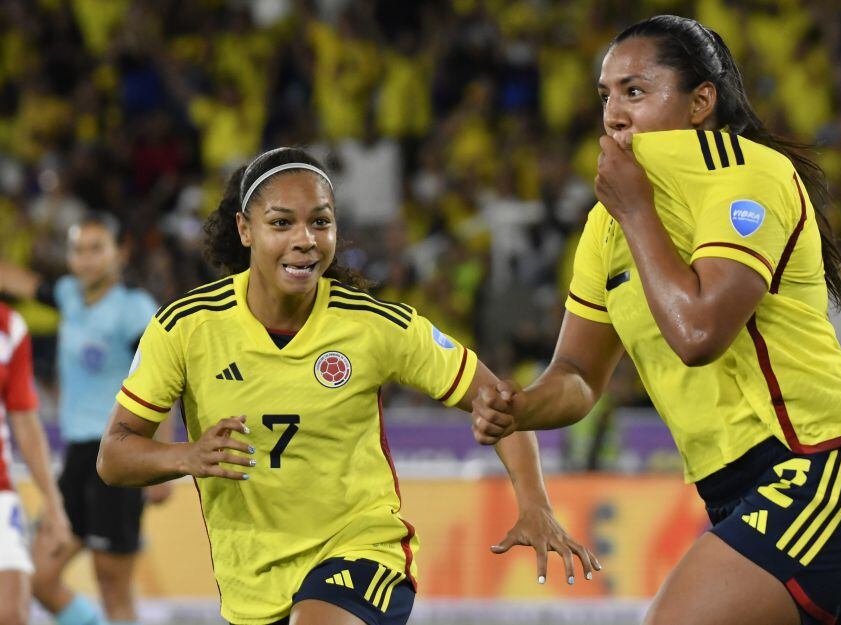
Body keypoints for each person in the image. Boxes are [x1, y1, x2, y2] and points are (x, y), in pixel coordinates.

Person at [472, 15, 841, 625]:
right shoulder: (606, 225)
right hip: (737, 495)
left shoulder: (747, 175)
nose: (614, 115)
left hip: (820, 466)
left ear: (700, 102)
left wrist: (636, 211)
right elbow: (578, 374)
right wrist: (519, 408)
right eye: (606, 96)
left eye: (636, 91)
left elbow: (700, 334)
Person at [96, 147, 599, 625]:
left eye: (320, 221)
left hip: (361, 552)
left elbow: (503, 409)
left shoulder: (374, 326)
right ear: (245, 230)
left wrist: (534, 504)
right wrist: (186, 456)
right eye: (281, 223)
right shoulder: (186, 328)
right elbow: (114, 455)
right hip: (252, 580)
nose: (305, 239)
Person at [0, 213, 167, 625]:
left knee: (113, 589)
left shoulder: (134, 310)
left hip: (117, 456)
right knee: (40, 575)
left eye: (97, 249)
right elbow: (14, 278)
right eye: (78, 250)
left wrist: (160, 460)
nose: (87, 259)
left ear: (120, 253)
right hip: (76, 458)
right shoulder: (68, 295)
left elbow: (168, 383)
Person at [0, 301, 72, 625]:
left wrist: (54, 506)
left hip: (1, 492)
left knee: (13, 613)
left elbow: (25, 423)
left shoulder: (10, 327)